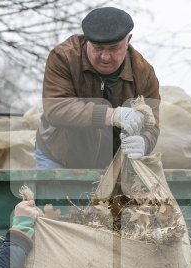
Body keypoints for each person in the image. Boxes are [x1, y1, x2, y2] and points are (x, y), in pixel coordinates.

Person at [35, 6, 161, 169]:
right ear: (87, 40)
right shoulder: (63, 57)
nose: (105, 57)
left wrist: (144, 142)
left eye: (114, 48)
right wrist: (112, 115)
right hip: (58, 157)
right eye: (98, 48)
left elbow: (152, 122)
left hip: (111, 164)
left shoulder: (144, 73)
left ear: (128, 40)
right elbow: (56, 108)